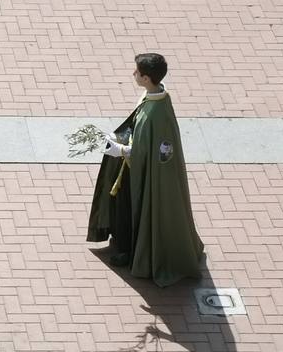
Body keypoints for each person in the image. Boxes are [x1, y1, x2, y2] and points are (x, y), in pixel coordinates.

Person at [85, 53, 203, 288]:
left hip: (144, 175)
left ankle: (131, 253)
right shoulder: (158, 97)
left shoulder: (153, 115)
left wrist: (120, 150)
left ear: (147, 78)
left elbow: (144, 151)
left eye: (137, 72)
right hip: (138, 169)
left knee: (131, 209)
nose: (134, 74)